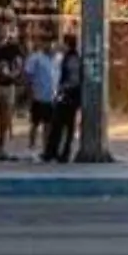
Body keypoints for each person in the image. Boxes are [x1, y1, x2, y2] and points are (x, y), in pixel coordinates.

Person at [0, 23, 24, 160]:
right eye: (0, 29)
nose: (3, 32)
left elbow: (19, 65)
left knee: (5, 118)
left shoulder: (13, 47)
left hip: (8, 86)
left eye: (6, 30)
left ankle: (2, 148)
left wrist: (14, 74)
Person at [25, 37, 61, 162]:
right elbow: (28, 77)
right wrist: (30, 95)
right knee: (35, 123)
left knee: (49, 124)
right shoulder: (36, 58)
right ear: (42, 43)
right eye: (47, 42)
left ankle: (46, 149)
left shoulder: (58, 58)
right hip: (38, 96)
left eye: (51, 42)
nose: (49, 45)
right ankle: (31, 148)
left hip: (52, 97)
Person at [48, 34, 82, 163]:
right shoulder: (67, 58)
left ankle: (61, 152)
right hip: (69, 95)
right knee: (62, 125)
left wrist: (61, 89)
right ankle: (56, 151)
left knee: (63, 124)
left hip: (69, 96)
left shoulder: (72, 59)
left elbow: (74, 79)